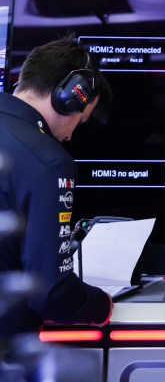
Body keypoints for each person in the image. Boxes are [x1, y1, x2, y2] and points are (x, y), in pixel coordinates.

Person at [0, 36, 113, 337]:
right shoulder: (49, 161)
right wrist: (101, 305)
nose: (71, 135)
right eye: (81, 118)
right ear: (71, 97)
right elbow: (51, 292)